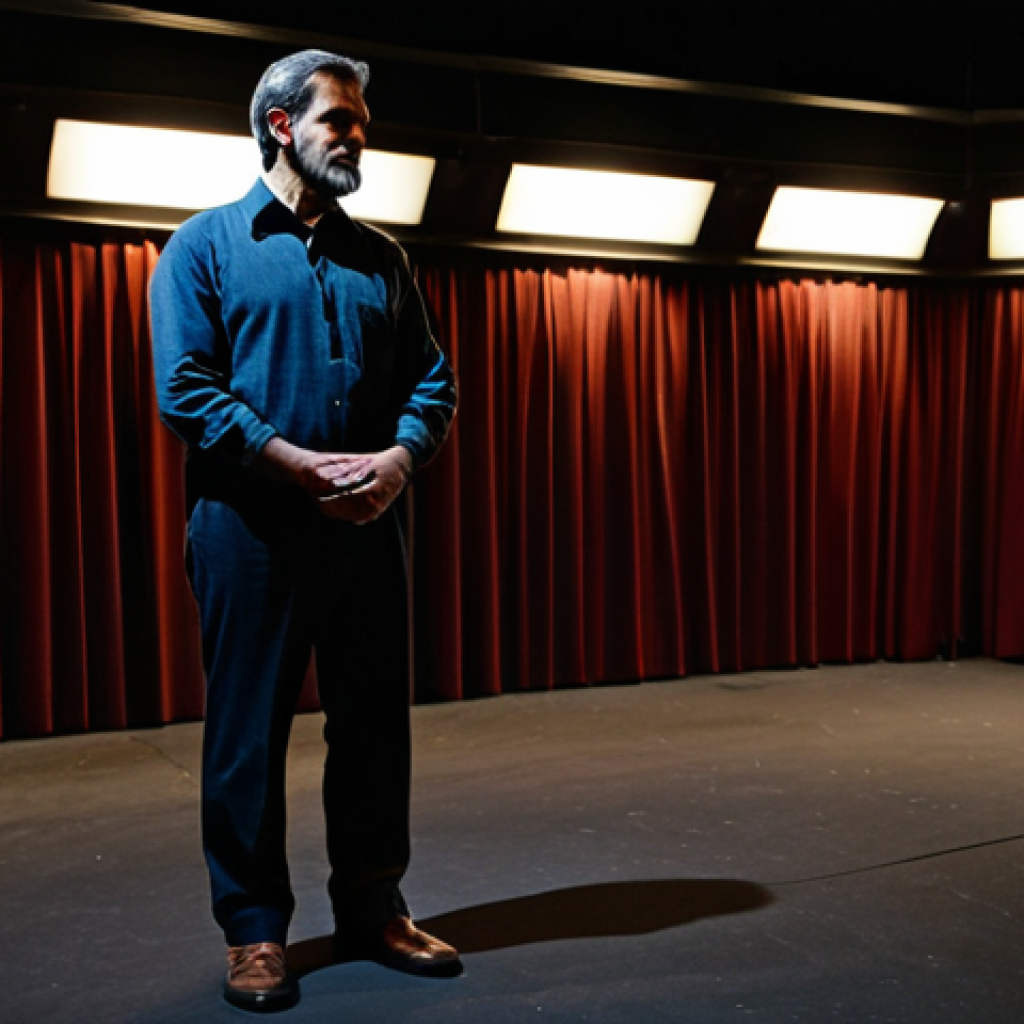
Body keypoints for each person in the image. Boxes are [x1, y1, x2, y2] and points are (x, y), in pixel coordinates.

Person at [149, 48, 459, 1013]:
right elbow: (184, 387)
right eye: (341, 119)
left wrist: (397, 463)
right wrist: (293, 460)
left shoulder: (384, 259)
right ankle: (253, 932)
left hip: (368, 528)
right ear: (282, 125)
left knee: (374, 727)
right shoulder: (203, 246)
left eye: (362, 120)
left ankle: (374, 907)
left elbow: (432, 382)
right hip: (251, 530)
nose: (359, 134)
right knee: (248, 735)